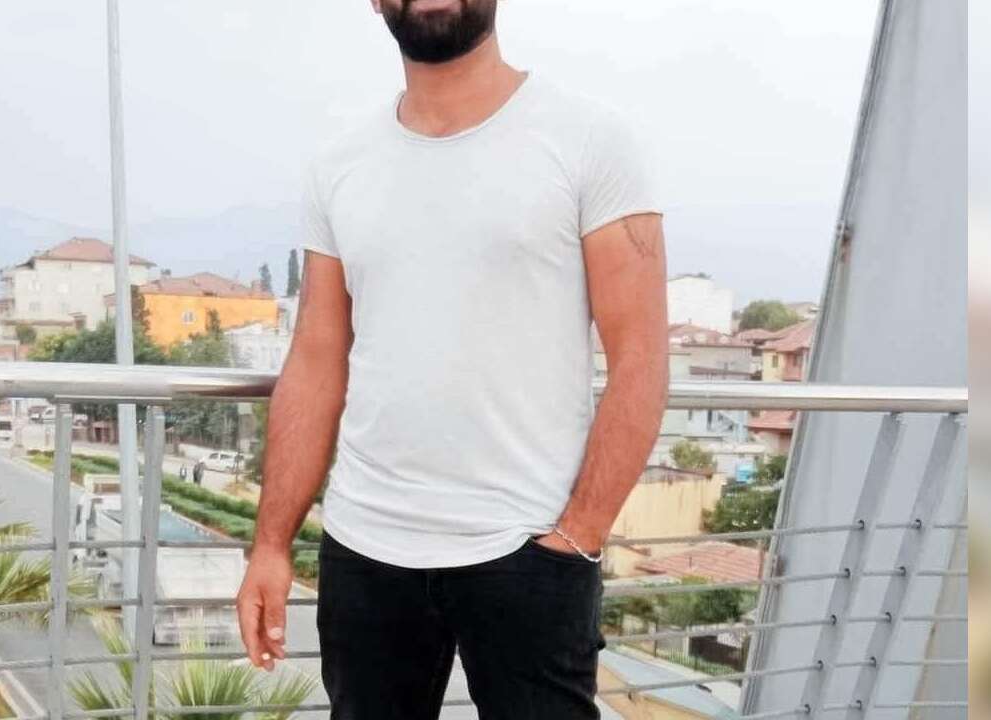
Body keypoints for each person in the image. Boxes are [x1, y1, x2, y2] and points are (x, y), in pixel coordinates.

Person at [236, 1, 668, 718]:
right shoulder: (339, 165)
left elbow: (643, 358)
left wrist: (579, 534)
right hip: (364, 548)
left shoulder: (591, 140)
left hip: (528, 550)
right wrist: (271, 544)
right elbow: (314, 360)